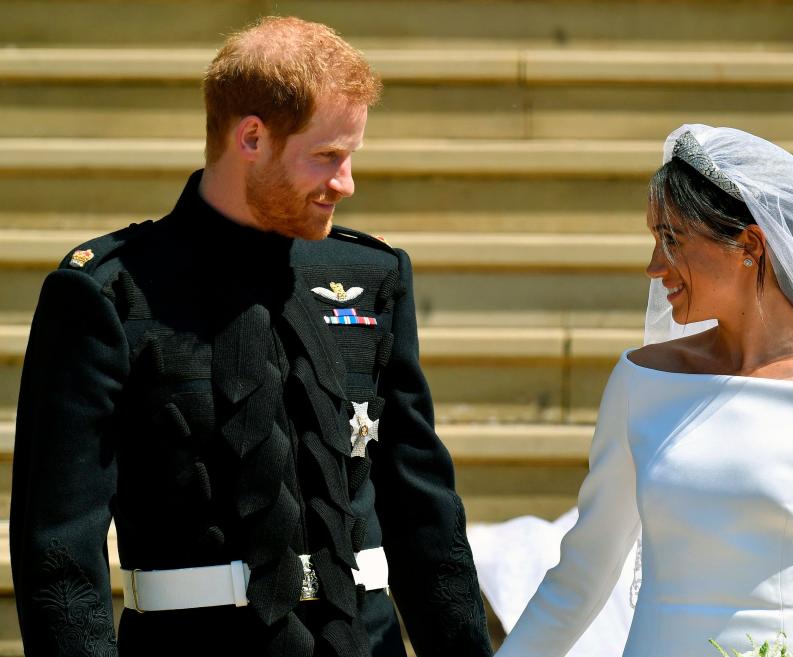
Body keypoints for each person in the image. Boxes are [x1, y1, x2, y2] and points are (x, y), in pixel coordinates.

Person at [10, 16, 492, 657]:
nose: (347, 183)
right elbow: (60, 551)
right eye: (327, 156)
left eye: (350, 156)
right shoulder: (108, 293)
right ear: (253, 138)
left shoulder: (371, 276)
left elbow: (424, 513)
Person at [492, 124, 793, 657]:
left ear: (749, 246)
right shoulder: (642, 382)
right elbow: (580, 577)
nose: (653, 266)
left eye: (672, 240)